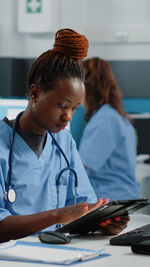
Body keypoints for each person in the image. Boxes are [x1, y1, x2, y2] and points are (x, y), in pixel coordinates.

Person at [0, 30, 129, 243]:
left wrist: (103, 222)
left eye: (75, 108)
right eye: (62, 105)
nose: (67, 116)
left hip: (60, 252)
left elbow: (84, 206)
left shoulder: (64, 141)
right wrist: (57, 215)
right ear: (35, 93)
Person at [79, 57, 141, 201]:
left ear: (86, 86)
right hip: (122, 196)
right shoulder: (117, 116)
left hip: (109, 199)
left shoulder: (104, 119)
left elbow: (81, 168)